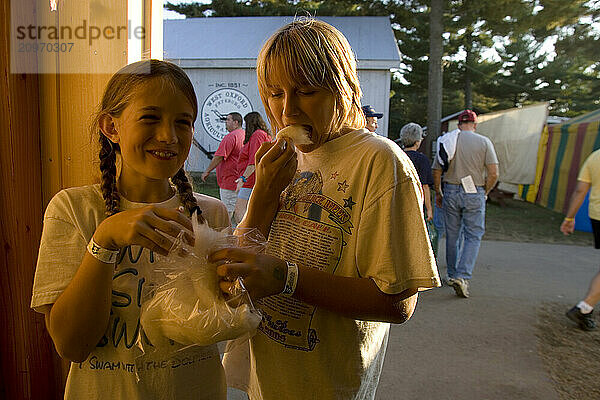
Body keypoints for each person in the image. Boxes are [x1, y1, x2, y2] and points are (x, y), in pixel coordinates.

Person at [210, 19, 440, 400]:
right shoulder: (284, 158)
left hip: (327, 386)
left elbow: (398, 303)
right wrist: (264, 194)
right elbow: (244, 263)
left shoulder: (379, 162)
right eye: (274, 93)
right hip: (259, 378)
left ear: (344, 87)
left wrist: (288, 278)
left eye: (306, 91)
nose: (287, 110)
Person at [31, 60, 230, 399]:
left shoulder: (211, 213)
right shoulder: (73, 210)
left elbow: (224, 323)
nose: (168, 136)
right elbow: (72, 345)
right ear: (111, 126)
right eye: (150, 118)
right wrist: (104, 241)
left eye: (183, 122)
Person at [432, 109, 498, 298]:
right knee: (473, 235)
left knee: (452, 235)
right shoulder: (484, 142)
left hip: (451, 190)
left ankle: (452, 274)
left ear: (459, 124)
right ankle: (462, 276)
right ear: (475, 125)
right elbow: (494, 173)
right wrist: (485, 191)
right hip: (474, 191)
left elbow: (436, 170)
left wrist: (438, 191)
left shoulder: (449, 140)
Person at [561, 148, 600, 331]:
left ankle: (586, 310)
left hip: (597, 216)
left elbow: (580, 190)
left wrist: (569, 218)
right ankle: (584, 308)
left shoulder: (595, 156)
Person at [399, 122, 436, 255]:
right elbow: (425, 186)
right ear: (417, 141)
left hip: (398, 202)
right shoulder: (422, 159)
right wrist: (429, 209)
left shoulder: (397, 156)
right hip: (416, 203)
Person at [201, 112, 245, 219]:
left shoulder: (231, 137)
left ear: (236, 122)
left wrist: (207, 171)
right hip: (240, 181)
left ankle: (225, 235)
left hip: (229, 182)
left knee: (227, 216)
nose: (225, 122)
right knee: (240, 215)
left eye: (228, 120)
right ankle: (241, 235)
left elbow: (219, 156)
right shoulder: (244, 135)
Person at [232, 111, 272, 225]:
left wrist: (242, 179)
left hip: (251, 181)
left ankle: (243, 238)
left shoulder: (257, 135)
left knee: (239, 212)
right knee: (250, 213)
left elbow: (254, 160)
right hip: (256, 180)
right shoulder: (264, 135)